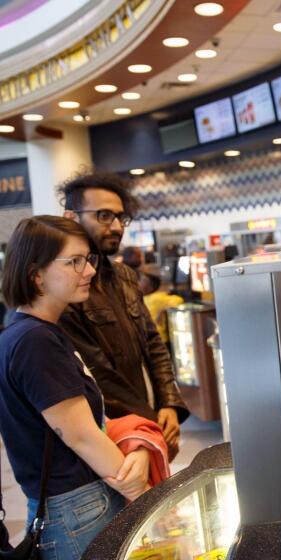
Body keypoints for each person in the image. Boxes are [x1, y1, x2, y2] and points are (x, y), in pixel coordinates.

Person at [0, 216, 151, 558]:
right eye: (74, 262)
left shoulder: (32, 331)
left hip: (73, 505)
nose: (90, 271)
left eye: (88, 259)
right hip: (77, 508)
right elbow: (81, 435)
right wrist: (144, 494)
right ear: (35, 274)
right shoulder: (35, 339)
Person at [57, 172, 189, 459]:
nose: (116, 226)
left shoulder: (126, 277)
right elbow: (98, 372)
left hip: (147, 422)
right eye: (104, 215)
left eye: (121, 217)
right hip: (107, 434)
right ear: (71, 216)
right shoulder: (65, 286)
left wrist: (169, 403)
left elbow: (153, 344)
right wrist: (150, 422)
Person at [138, 263, 184, 345]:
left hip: (158, 341)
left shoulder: (156, 298)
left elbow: (179, 300)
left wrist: (163, 309)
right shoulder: (143, 298)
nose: (139, 283)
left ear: (151, 287)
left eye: (143, 280)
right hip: (150, 341)